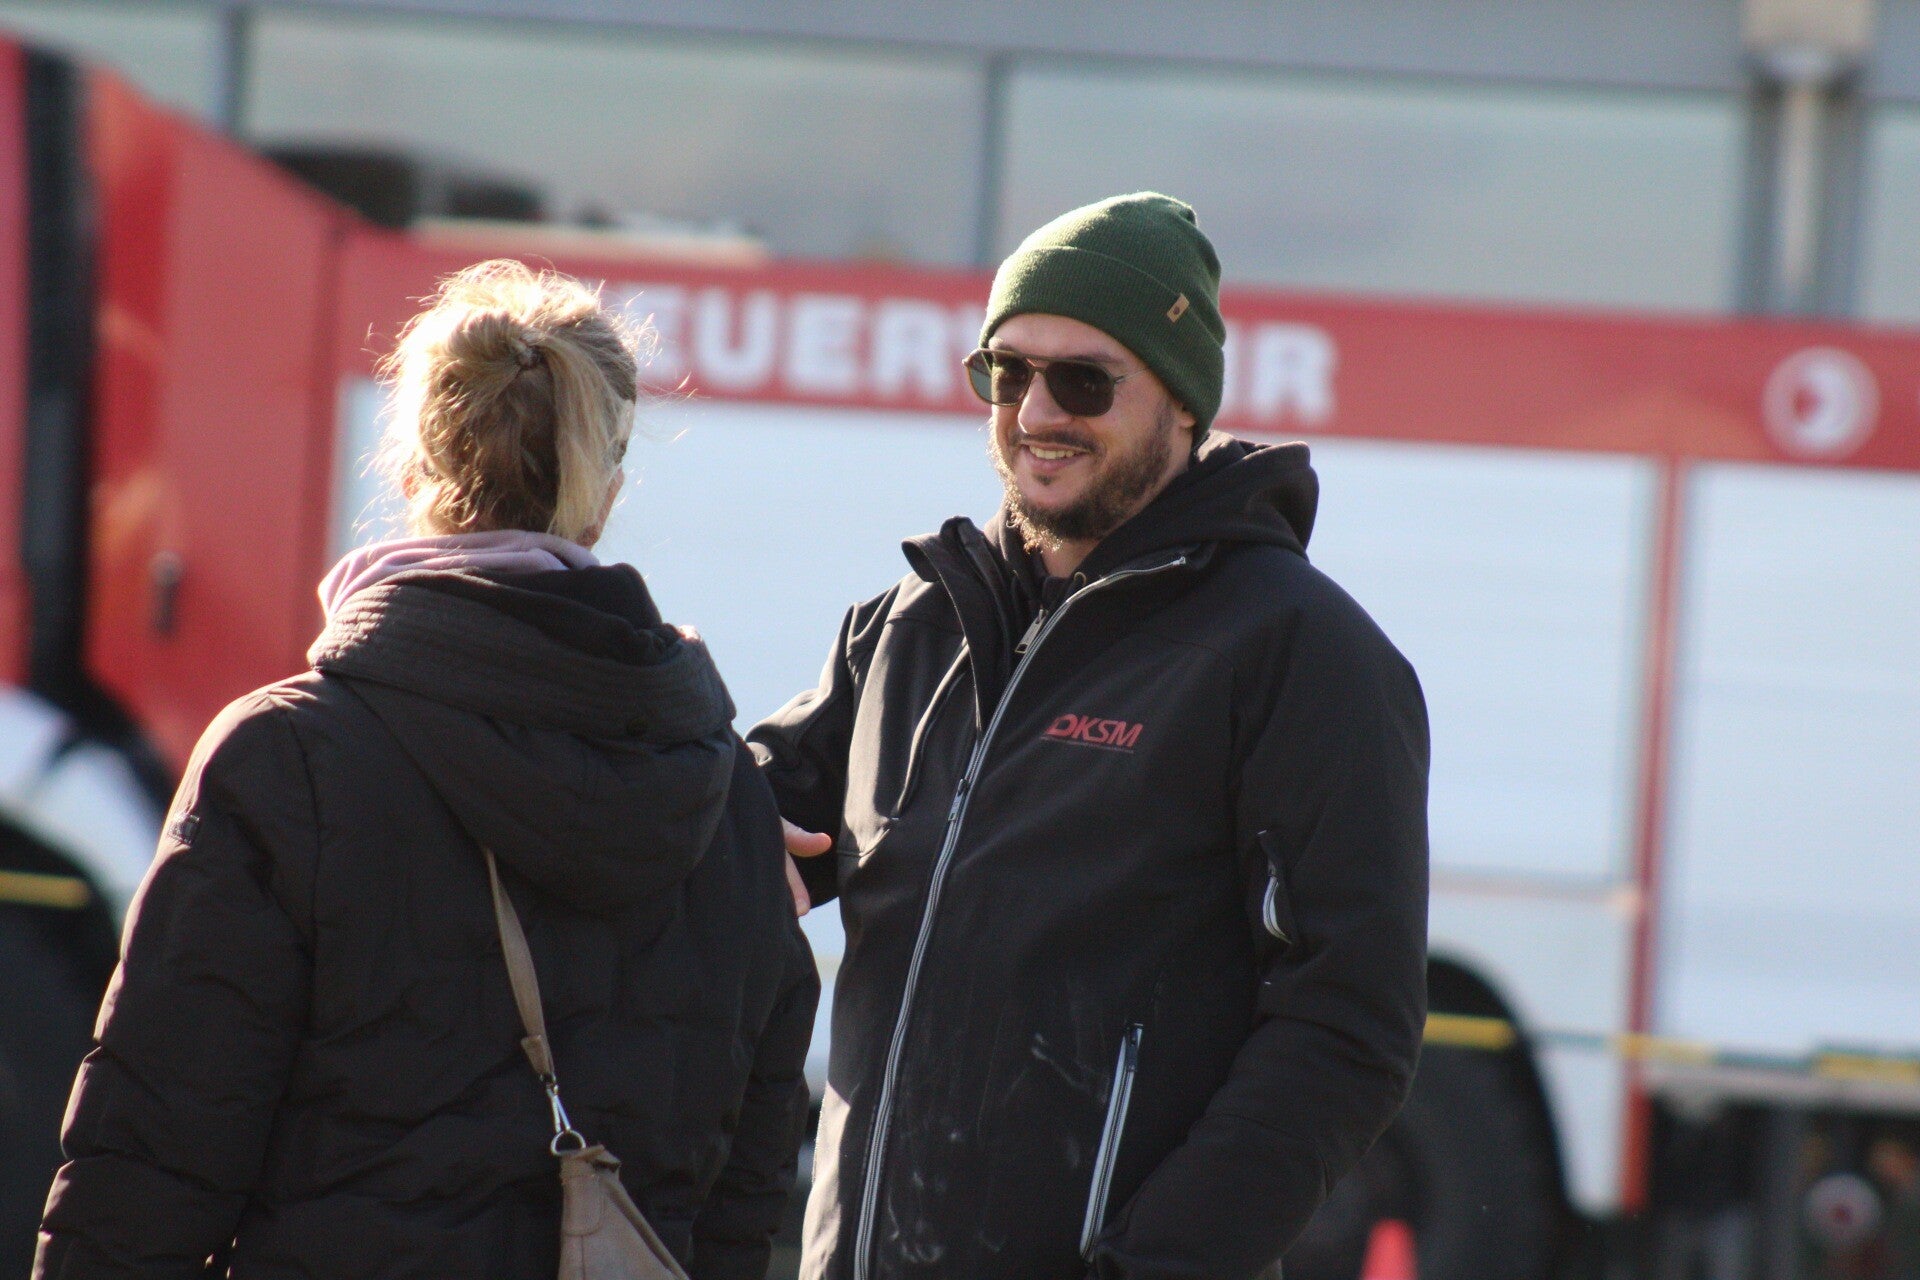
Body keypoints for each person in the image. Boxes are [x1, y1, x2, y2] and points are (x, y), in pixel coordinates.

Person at [35, 261, 817, 1279]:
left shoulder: (287, 758)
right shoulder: (726, 797)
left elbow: (153, 1153)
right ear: (603, 494)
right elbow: (743, 1190)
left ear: (410, 468)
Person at [751, 193, 1430, 1280]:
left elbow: (1349, 1029)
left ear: (1183, 400)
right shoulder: (916, 626)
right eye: (1006, 371)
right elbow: (738, 811)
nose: (1034, 412)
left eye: (1084, 380)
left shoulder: (1298, 654)